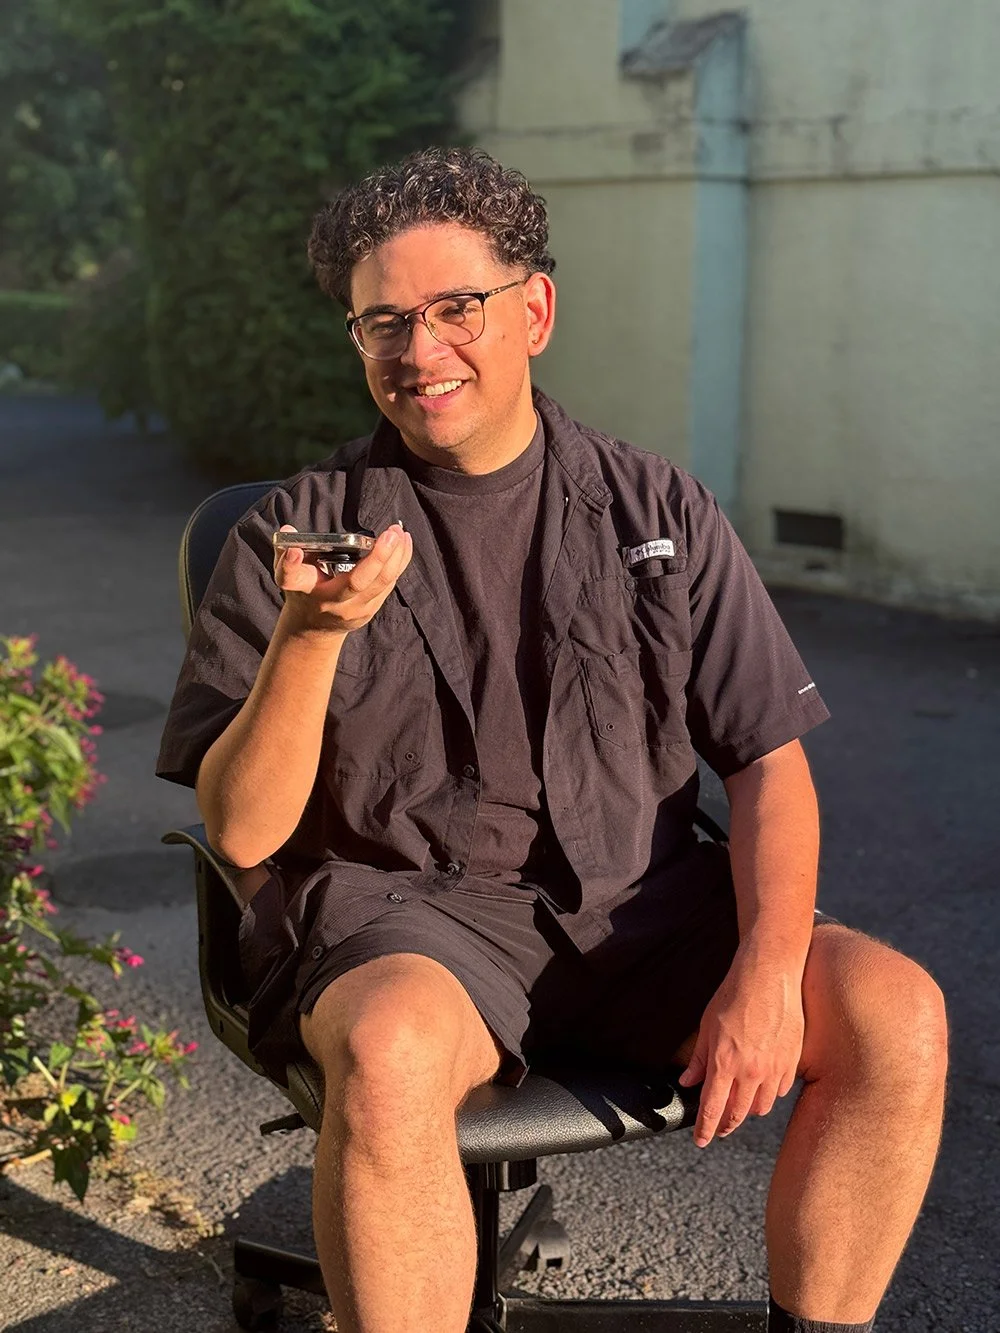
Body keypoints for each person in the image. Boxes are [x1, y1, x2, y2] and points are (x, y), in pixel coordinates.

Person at [157, 146, 947, 1333]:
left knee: (898, 1014)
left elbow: (767, 759)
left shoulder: (659, 512)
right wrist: (310, 637)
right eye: (382, 323)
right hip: (408, 924)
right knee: (387, 1051)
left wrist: (770, 971)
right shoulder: (296, 532)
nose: (418, 352)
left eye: (453, 309)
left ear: (534, 308)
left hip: (639, 912)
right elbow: (243, 827)